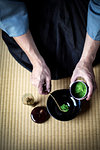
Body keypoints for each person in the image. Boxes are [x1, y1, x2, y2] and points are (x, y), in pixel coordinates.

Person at [0, 0, 100, 100]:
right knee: (36, 53)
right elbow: (10, 15)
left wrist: (86, 61)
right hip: (31, 7)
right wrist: (37, 62)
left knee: (84, 49)